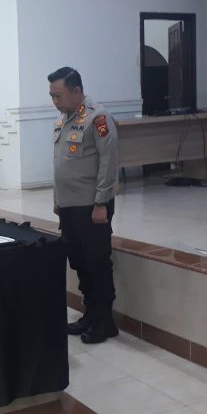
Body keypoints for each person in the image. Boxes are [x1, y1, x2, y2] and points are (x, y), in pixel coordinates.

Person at [49, 67, 119, 344]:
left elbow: (108, 163)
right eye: (52, 96)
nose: (55, 101)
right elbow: (60, 164)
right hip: (69, 207)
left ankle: (105, 321)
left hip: (91, 207)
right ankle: (91, 315)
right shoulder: (63, 119)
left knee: (97, 263)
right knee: (79, 263)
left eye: (58, 95)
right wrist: (57, 200)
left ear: (77, 90)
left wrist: (101, 202)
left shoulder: (98, 118)